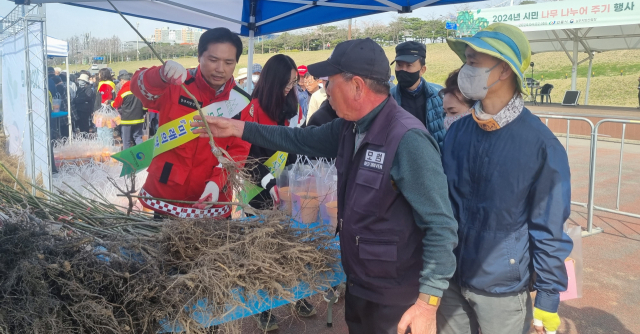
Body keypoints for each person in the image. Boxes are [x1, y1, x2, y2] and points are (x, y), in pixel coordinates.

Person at [191, 38, 459, 334]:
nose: (323, 89)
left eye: (329, 81)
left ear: (357, 86)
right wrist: (236, 127)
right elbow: (297, 139)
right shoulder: (349, 125)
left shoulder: (407, 139)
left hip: (396, 294)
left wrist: (427, 303)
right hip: (360, 282)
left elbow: (440, 225)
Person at [438, 23, 573, 334]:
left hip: (502, 289)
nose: (465, 69)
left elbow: (549, 227)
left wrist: (548, 299)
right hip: (451, 281)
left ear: (504, 70)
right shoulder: (458, 131)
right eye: (465, 60)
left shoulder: (541, 145)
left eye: (473, 61)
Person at [130, 27, 251, 219]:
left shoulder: (241, 102)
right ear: (199, 56)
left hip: (214, 199)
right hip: (168, 194)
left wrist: (216, 182)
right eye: (213, 60)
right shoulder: (177, 83)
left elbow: (239, 150)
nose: (220, 69)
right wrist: (161, 75)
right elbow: (138, 86)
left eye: (229, 62)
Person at [239, 54, 310, 332]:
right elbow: (246, 156)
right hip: (256, 191)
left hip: (285, 188)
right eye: (286, 82)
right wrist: (268, 182)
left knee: (289, 245)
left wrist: (297, 176)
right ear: (273, 80)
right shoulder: (252, 109)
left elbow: (294, 144)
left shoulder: (291, 107)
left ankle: (296, 295)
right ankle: (262, 306)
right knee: (260, 249)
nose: (290, 87)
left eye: (293, 83)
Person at [390, 41, 446, 150]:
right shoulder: (389, 99)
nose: (403, 70)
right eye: (399, 65)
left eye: (409, 65)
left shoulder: (440, 95)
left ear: (422, 70)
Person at [112, 73, 146, 150]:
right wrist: (143, 112)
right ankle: (142, 156)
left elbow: (116, 104)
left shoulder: (123, 90)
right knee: (138, 138)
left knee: (126, 141)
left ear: (123, 81)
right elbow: (145, 105)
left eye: (121, 81)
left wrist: (110, 102)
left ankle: (127, 160)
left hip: (126, 120)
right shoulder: (140, 89)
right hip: (139, 118)